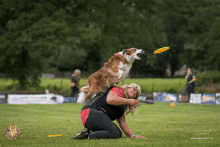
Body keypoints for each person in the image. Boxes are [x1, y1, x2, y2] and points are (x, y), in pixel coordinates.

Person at [72, 83, 146, 140]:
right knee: (114, 132)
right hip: (90, 113)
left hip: (92, 117)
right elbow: (110, 99)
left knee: (118, 133)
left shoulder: (123, 103)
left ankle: (86, 133)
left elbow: (122, 122)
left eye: (136, 95)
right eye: (134, 89)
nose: (134, 93)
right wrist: (129, 101)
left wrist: (132, 136)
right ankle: (87, 136)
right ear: (128, 87)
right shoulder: (119, 90)